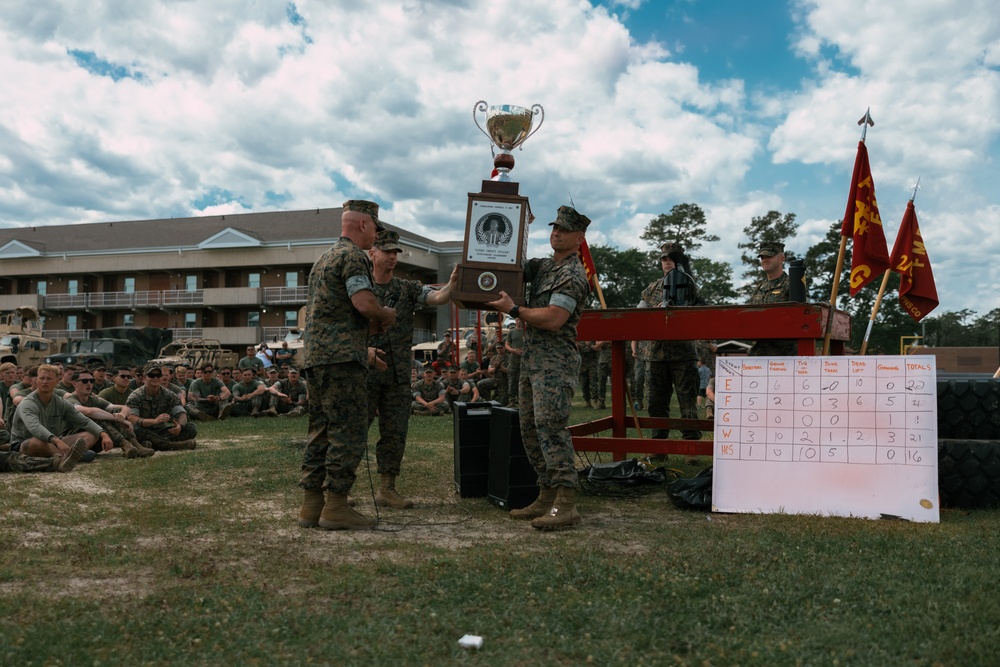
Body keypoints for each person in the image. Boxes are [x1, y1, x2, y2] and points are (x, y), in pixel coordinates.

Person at [487, 205, 590, 531]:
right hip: (532, 360)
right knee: (529, 428)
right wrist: (519, 228)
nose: (556, 232)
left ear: (579, 237)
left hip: (555, 362)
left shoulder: (573, 275)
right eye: (554, 227)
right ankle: (545, 495)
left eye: (564, 229)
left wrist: (516, 309)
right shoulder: (544, 266)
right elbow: (510, 266)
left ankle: (566, 503)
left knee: (550, 426)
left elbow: (554, 319)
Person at [298, 199, 396, 531]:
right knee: (348, 431)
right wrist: (385, 315)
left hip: (317, 358)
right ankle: (336, 507)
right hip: (343, 360)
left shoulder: (324, 258)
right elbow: (364, 303)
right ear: (365, 225)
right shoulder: (354, 257)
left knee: (321, 430)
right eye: (375, 230)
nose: (375, 239)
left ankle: (312, 506)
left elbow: (331, 312)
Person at [365, 228, 456, 508]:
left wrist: (453, 283)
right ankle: (338, 494)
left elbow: (438, 298)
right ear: (372, 253)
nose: (392, 257)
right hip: (364, 371)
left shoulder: (407, 288)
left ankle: (387, 489)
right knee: (353, 431)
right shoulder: (359, 287)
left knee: (395, 432)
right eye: (387, 251)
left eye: (396, 252)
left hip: (397, 375)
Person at [637, 242, 704, 440]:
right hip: (656, 354)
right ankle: (658, 445)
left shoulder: (690, 285)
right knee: (656, 403)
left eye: (671, 259)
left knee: (687, 402)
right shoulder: (651, 289)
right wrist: (653, 312)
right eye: (664, 259)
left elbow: (702, 312)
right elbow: (638, 315)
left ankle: (691, 444)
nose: (667, 263)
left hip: (683, 354)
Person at [9, 364, 111, 471]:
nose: (44, 382)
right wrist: (57, 441)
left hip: (53, 442)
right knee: (35, 442)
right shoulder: (28, 402)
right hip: (26, 444)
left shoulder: (59, 402)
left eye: (49, 379)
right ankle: (70, 456)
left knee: (91, 434)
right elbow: (34, 427)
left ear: (57, 381)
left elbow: (83, 420)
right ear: (36, 380)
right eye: (41, 378)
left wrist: (103, 434)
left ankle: (66, 456)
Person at [65, 369, 154, 459]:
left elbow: (125, 408)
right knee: (96, 417)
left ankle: (135, 444)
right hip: (73, 437)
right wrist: (115, 418)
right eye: (84, 381)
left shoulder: (92, 399)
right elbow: (90, 412)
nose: (89, 384)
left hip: (96, 438)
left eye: (91, 381)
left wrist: (122, 415)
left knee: (114, 412)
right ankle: (124, 444)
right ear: (74, 383)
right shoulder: (70, 400)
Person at [127, 363, 198, 450]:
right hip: (143, 429)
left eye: (158, 375)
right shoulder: (135, 396)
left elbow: (181, 413)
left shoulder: (168, 394)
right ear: (145, 377)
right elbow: (132, 418)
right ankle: (171, 445)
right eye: (152, 375)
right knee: (133, 429)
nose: (155, 378)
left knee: (191, 428)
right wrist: (153, 421)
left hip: (161, 431)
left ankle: (151, 444)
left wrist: (180, 426)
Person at [747, 240, 798, 356]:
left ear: (781, 259)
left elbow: (799, 317)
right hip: (758, 354)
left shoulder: (792, 284)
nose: (765, 260)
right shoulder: (759, 288)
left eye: (769, 256)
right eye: (762, 257)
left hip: (784, 355)